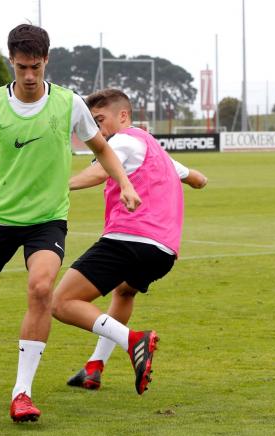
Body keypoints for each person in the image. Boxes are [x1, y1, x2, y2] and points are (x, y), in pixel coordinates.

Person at [0, 25, 140, 423]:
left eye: (35, 66)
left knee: (41, 288)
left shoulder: (68, 103)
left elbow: (101, 148)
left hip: (48, 220)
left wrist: (125, 183)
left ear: (46, 61)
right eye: (21, 68)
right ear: (10, 63)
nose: (29, 76)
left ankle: (22, 393)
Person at [51, 88, 206, 396]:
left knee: (61, 303)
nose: (96, 130)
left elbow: (97, 173)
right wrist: (195, 178)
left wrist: (54, 187)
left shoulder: (122, 141)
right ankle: (94, 368)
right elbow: (197, 178)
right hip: (163, 252)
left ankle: (133, 340)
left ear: (123, 116)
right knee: (124, 292)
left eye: (100, 120)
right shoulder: (154, 149)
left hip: (129, 240)